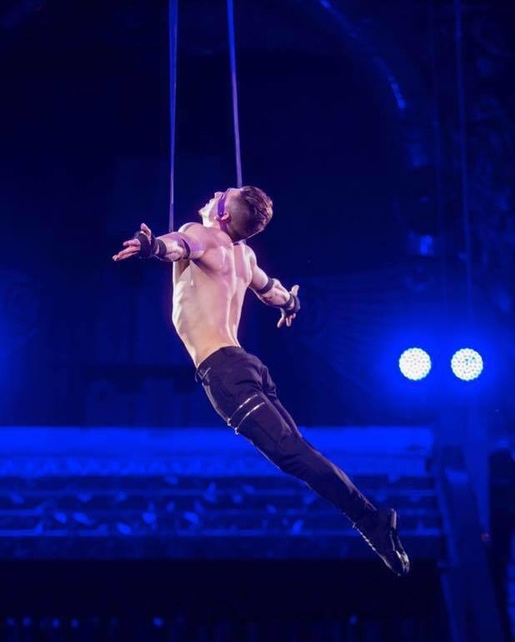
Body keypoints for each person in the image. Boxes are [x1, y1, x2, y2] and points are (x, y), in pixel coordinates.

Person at [113, 185, 410, 576]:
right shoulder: (244, 255)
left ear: (222, 214)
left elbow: (179, 245)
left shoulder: (201, 234)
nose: (215, 192)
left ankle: (371, 520)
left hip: (225, 373)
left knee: (294, 455)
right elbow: (272, 292)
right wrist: (291, 303)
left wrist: (151, 246)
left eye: (224, 193)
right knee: (298, 452)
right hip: (244, 366)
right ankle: (371, 518)